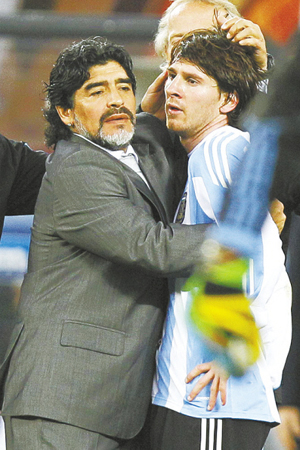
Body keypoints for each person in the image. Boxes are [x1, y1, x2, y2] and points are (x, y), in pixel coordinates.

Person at [0, 35, 219, 450]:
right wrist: (244, 234)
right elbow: (151, 245)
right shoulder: (74, 168)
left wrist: (257, 71)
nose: (115, 100)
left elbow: (218, 117)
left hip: (120, 402)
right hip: (62, 404)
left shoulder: (146, 138)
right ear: (66, 113)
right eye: (96, 92)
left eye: (123, 87)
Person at [150, 29, 291, 450]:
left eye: (192, 81)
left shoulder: (218, 148)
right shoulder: (212, 154)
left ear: (228, 101)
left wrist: (226, 355)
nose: (173, 88)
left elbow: (250, 256)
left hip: (211, 395)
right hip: (198, 393)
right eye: (172, 75)